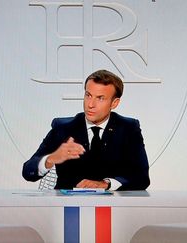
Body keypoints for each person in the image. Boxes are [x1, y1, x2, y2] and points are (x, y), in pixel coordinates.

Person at [22, 69, 150, 190]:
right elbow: (28, 172)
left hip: (112, 208)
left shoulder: (128, 128)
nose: (90, 104)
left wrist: (106, 183)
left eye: (100, 98)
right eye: (88, 95)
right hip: (69, 208)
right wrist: (51, 159)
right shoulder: (63, 127)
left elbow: (142, 177)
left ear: (114, 103)